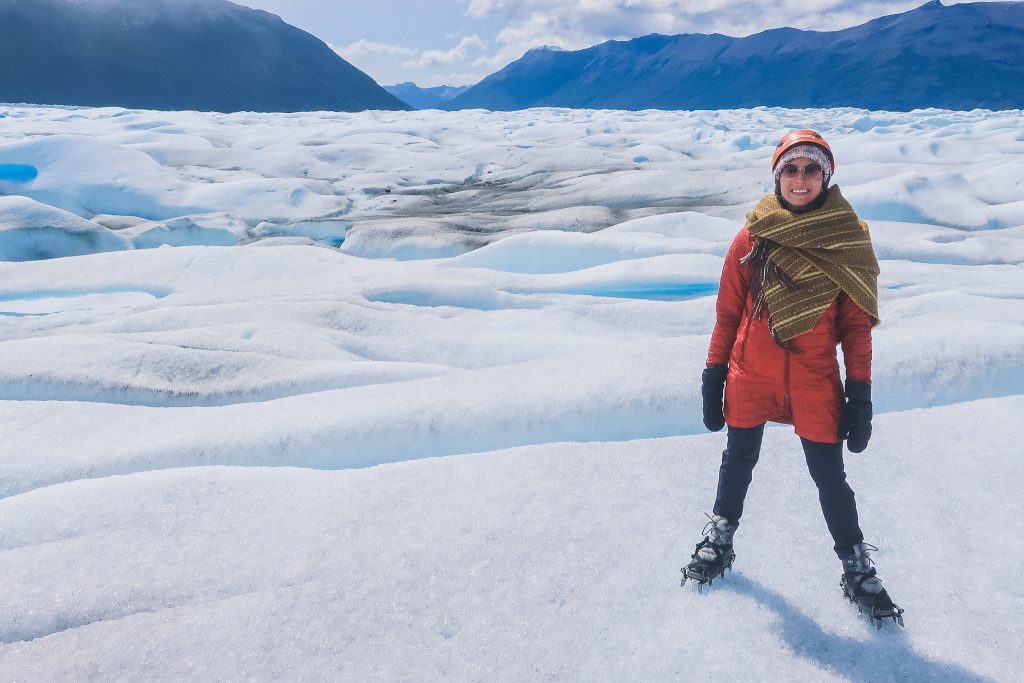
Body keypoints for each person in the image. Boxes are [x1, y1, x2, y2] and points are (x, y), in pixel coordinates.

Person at [681, 129, 903, 626]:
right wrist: (714, 373)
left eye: (811, 169)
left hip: (814, 380)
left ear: (826, 177)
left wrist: (860, 393)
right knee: (737, 461)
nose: (800, 179)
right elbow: (727, 316)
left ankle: (856, 566)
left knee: (831, 479)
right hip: (750, 375)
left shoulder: (848, 240)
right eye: (791, 169)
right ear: (777, 176)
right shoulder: (752, 237)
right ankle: (720, 537)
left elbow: (856, 328)